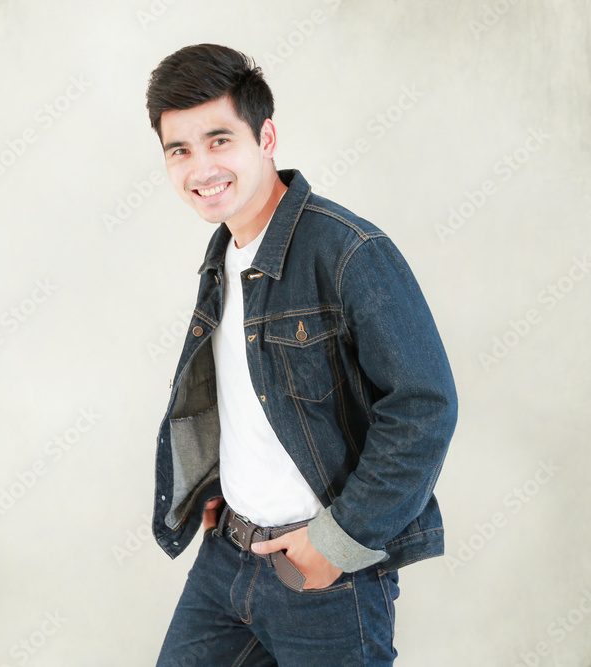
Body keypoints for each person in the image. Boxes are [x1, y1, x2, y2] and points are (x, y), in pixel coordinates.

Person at [146, 43, 458, 666]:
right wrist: (221, 482)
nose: (200, 167)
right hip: (227, 560)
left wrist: (338, 544)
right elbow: (245, 389)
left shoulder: (348, 250)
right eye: (179, 150)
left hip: (325, 581)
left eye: (219, 140)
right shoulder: (223, 255)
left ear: (266, 137)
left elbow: (424, 406)